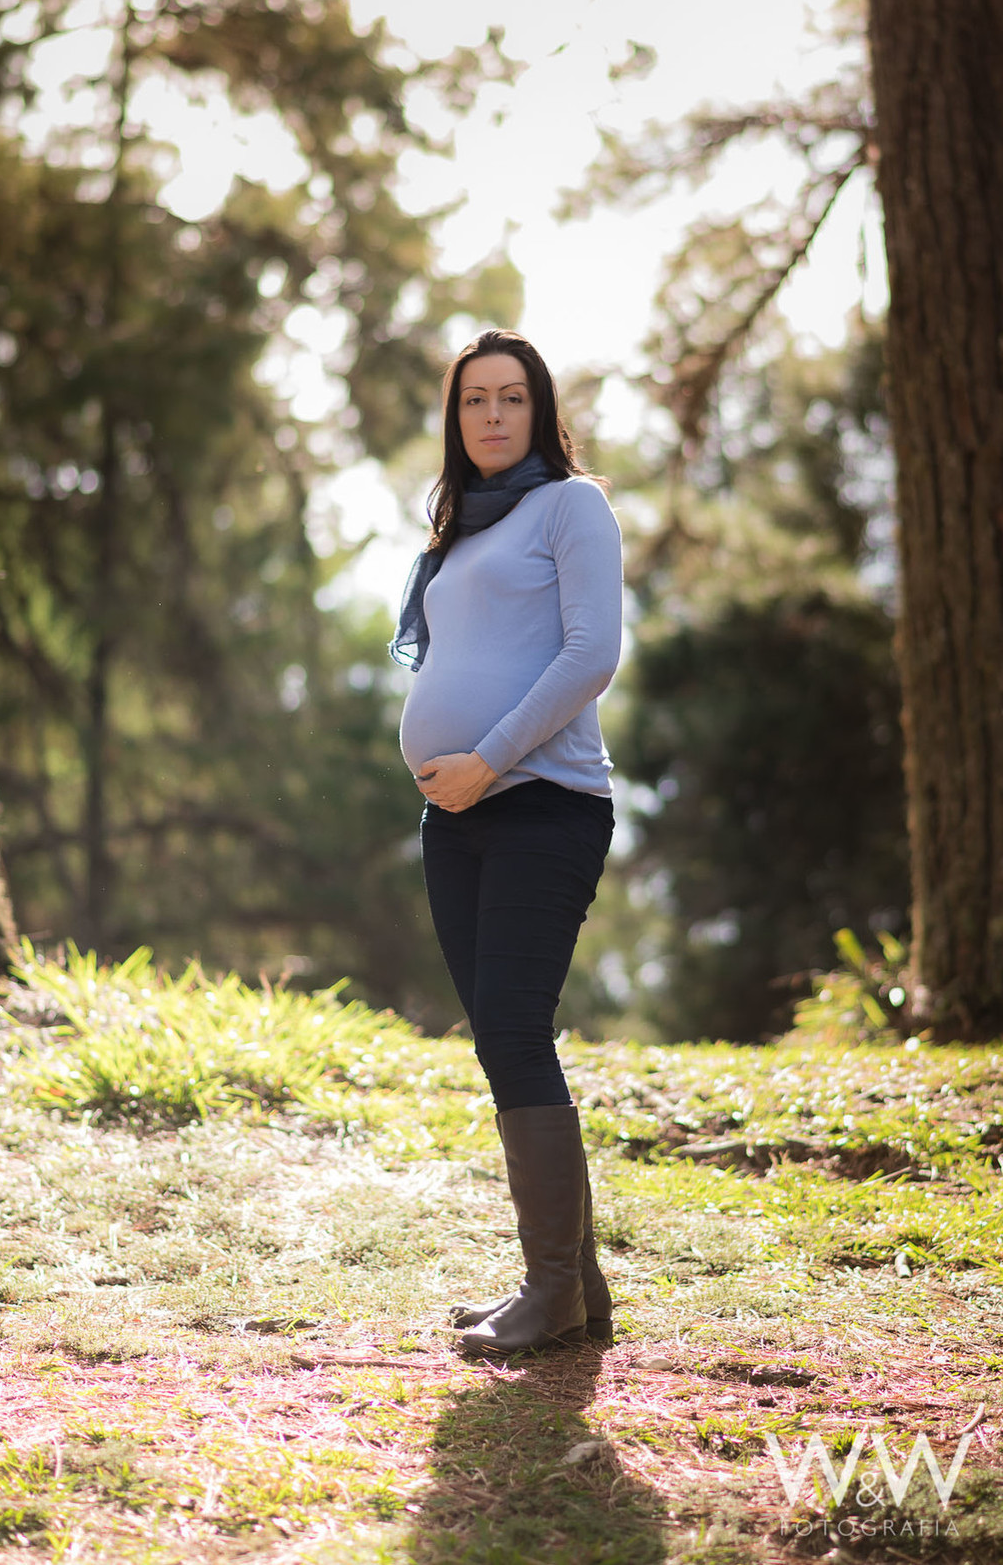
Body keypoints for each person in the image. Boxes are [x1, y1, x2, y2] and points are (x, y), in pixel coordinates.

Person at [391, 329, 622, 1358]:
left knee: (517, 1032)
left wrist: (484, 756)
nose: (491, 415)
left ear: (540, 412)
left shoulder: (571, 506)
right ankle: (580, 1286)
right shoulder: (457, 532)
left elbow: (590, 654)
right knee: (499, 1036)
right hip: (459, 820)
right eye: (474, 399)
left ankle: (552, 1288)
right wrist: (454, 776)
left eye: (511, 398)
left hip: (543, 802)